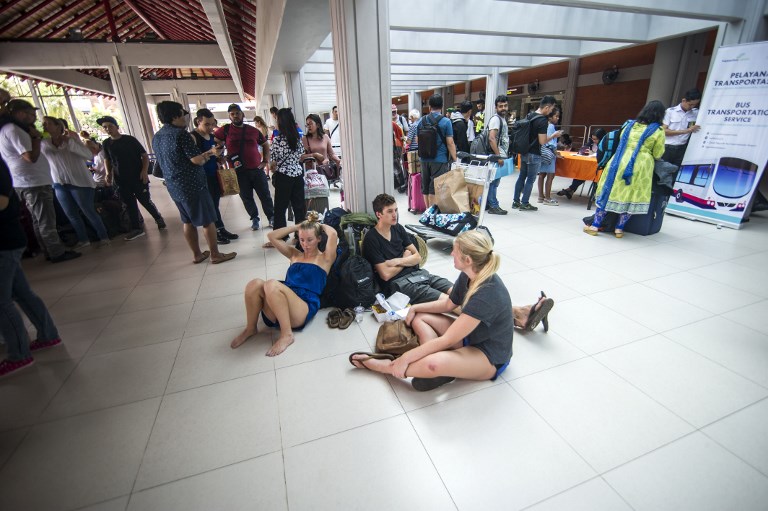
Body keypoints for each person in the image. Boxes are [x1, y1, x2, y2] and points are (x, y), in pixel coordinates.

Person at [350, 230, 513, 392]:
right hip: (471, 336)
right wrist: (415, 307)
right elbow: (448, 304)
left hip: (488, 355)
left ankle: (386, 366)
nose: (451, 254)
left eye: (455, 251)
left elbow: (447, 340)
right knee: (420, 317)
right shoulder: (469, 274)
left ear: (468, 260)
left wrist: (405, 358)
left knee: (433, 364)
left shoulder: (486, 293)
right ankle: (444, 370)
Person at [230, 211, 338, 356]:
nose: (305, 244)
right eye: (302, 239)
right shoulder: (294, 254)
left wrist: (317, 224)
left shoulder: (325, 259)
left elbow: (333, 234)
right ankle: (251, 328)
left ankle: (287, 335)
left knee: (271, 284)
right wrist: (297, 227)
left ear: (319, 239)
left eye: (310, 240)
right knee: (254, 284)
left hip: (304, 306)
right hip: (283, 298)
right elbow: (272, 236)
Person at [0, 156, 63, 378]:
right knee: (21, 293)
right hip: (9, 239)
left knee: (2, 301)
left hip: (4, 240)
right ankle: (48, 335)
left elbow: (2, 202)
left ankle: (19, 354)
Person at [151, 101, 236, 265]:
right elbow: (196, 160)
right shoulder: (181, 134)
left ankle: (197, 254)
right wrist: (211, 153)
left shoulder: (158, 136)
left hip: (174, 187)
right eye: (183, 115)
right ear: (175, 115)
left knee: (187, 221)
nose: (185, 119)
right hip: (193, 184)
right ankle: (215, 254)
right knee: (207, 220)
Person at [0, 99, 80, 262]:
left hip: (26, 181)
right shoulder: (15, 130)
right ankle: (57, 252)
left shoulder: (9, 129)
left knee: (39, 220)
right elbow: (30, 156)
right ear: (21, 114)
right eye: (31, 114)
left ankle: (49, 251)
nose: (35, 118)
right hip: (33, 182)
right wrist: (36, 138)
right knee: (46, 221)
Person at [584, 100, 666, 238]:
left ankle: (595, 225)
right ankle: (619, 229)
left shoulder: (629, 125)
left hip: (619, 160)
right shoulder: (658, 131)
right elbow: (658, 153)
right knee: (631, 195)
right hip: (642, 165)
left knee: (609, 191)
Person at [40, 116, 110, 247]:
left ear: (58, 126)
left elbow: (88, 155)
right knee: (70, 213)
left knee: (88, 210)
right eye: (43, 124)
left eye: (47, 123)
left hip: (80, 183)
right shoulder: (44, 144)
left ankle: (103, 236)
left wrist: (71, 142)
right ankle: (83, 239)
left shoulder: (72, 141)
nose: (44, 126)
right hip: (59, 183)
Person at [99, 115, 166, 241]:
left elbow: (144, 156)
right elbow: (107, 159)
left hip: (137, 176)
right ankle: (136, 228)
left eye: (110, 126)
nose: (108, 129)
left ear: (117, 127)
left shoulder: (130, 140)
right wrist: (108, 174)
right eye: (105, 127)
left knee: (145, 200)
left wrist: (144, 172)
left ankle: (158, 218)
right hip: (120, 179)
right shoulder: (106, 143)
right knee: (129, 204)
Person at [214, 104, 274, 231]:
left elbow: (265, 144)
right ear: (229, 116)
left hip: (257, 169)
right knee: (246, 197)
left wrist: (265, 161)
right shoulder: (225, 130)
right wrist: (220, 155)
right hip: (238, 172)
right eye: (232, 114)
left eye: (237, 113)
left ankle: (271, 217)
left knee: (265, 195)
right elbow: (214, 142)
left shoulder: (253, 130)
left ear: (243, 114)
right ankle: (254, 218)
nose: (235, 115)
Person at [192, 109, 238, 245]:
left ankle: (220, 228)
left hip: (214, 174)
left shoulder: (211, 137)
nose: (211, 127)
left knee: (215, 204)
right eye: (207, 124)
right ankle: (216, 232)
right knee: (209, 206)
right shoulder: (193, 137)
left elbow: (214, 155)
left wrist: (220, 158)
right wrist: (210, 153)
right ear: (198, 121)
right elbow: (194, 159)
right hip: (202, 177)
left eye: (212, 124)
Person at [268, 108, 306, 248]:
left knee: (280, 208)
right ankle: (300, 237)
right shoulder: (298, 138)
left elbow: (272, 163)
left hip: (284, 177)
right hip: (297, 175)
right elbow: (301, 156)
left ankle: (280, 236)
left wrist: (273, 166)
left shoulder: (277, 140)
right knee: (299, 207)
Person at [512, 96, 557, 211]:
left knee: (522, 176)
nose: (551, 111)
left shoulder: (530, 115)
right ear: (547, 107)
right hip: (534, 153)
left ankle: (516, 201)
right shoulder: (542, 121)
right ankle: (525, 203)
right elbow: (542, 141)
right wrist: (553, 136)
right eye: (551, 109)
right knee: (531, 179)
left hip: (524, 151)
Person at [417, 94, 457, 207]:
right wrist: (455, 159)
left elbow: (417, 139)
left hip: (424, 158)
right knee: (435, 188)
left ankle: (427, 212)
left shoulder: (421, 121)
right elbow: (450, 142)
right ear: (442, 106)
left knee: (425, 187)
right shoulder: (446, 121)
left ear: (429, 107)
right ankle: (432, 215)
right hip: (439, 159)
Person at [557, 128, 605, 200]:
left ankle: (570, 189)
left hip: (600, 166)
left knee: (586, 171)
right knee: (581, 170)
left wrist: (594, 153)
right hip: (590, 164)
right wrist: (585, 150)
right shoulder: (591, 142)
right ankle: (571, 189)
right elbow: (583, 149)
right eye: (593, 139)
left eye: (596, 139)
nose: (594, 141)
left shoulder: (605, 144)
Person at [662, 88, 701, 166]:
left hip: (683, 148)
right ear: (684, 100)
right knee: (661, 173)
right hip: (667, 147)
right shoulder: (670, 111)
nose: (692, 107)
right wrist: (687, 131)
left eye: (695, 104)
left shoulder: (696, 113)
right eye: (690, 104)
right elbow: (664, 131)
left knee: (676, 173)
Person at [486, 95, 510, 214]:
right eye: (500, 106)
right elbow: (492, 138)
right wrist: (498, 156)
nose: (503, 108)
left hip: (497, 155)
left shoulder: (502, 119)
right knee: (494, 182)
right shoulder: (496, 119)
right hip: (496, 156)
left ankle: (490, 203)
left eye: (505, 105)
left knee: (493, 181)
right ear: (496, 107)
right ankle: (493, 205)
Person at [536, 107, 564, 206]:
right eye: (556, 116)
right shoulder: (551, 126)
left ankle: (540, 196)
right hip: (549, 153)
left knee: (541, 175)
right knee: (550, 175)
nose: (557, 118)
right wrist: (556, 152)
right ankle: (547, 198)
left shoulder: (543, 125)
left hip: (542, 152)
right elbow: (551, 143)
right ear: (550, 117)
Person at [391, 113, 406, 193]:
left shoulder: (392, 124)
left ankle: (400, 185)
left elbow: (400, 135)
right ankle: (399, 185)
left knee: (396, 166)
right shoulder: (393, 124)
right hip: (395, 147)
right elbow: (401, 135)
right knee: (397, 166)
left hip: (394, 148)